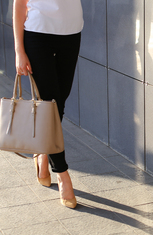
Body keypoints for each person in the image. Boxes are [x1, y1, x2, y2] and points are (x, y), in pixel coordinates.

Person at [13, 0, 83, 208]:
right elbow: (19, 5)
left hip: (72, 33)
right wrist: (19, 51)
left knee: (59, 103)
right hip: (38, 34)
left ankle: (43, 153)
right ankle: (62, 174)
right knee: (49, 106)